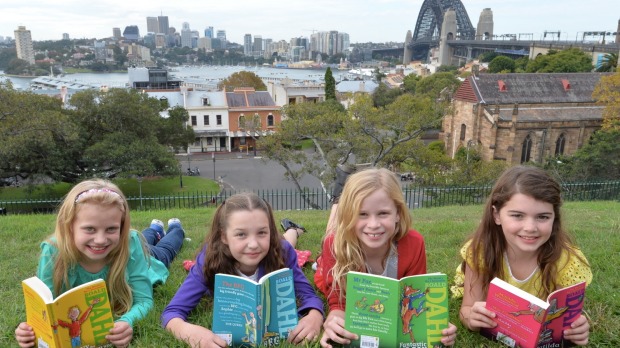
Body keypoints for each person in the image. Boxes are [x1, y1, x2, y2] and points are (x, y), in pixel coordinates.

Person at [15, 179, 184, 348]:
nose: (100, 240)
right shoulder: (53, 251)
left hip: (146, 258)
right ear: (69, 225)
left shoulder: (130, 241)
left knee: (165, 251)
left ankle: (175, 228)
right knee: (146, 237)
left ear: (122, 227)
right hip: (121, 245)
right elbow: (44, 308)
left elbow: (144, 300)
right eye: (90, 229)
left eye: (111, 228)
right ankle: (154, 228)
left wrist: (127, 321)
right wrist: (29, 331)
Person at [314, 167, 457, 347]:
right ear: (350, 214)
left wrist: (435, 327)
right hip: (332, 257)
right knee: (331, 238)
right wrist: (334, 316)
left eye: (383, 213)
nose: (373, 224)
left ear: (398, 213)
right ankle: (336, 202)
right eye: (362, 214)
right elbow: (337, 297)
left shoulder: (414, 243)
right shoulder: (334, 245)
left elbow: (415, 293)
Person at [162, 192, 324, 348]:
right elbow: (172, 312)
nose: (253, 243)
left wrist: (315, 316)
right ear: (224, 236)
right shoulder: (208, 260)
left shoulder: (283, 252)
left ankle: (294, 230)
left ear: (270, 232)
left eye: (262, 232)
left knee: (287, 243)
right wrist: (187, 331)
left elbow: (309, 296)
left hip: (276, 248)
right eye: (241, 234)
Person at [454, 165, 592, 346]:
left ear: (554, 218)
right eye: (518, 215)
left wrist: (578, 329)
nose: (530, 228)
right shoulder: (480, 250)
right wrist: (471, 319)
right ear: (496, 215)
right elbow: (467, 309)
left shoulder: (566, 260)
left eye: (542, 217)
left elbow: (569, 319)